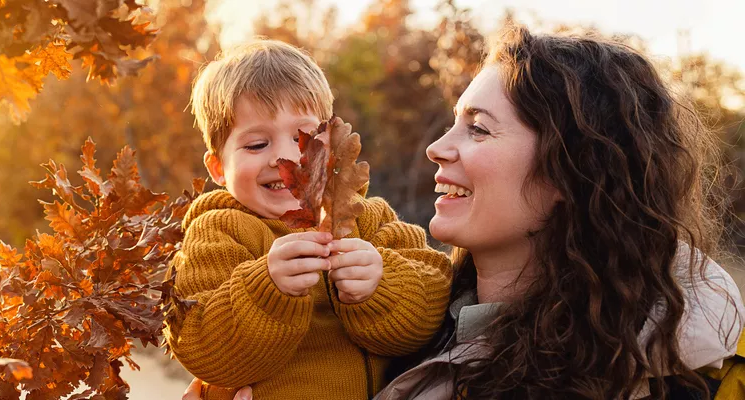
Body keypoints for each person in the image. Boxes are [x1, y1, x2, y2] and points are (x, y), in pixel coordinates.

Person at [188, 26, 745, 400]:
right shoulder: (454, 325)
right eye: (256, 144)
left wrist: (373, 287)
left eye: (478, 128)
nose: (435, 147)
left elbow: (408, 295)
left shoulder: (656, 371)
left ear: (570, 171)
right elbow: (202, 339)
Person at [164, 39, 453, 400]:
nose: (285, 157)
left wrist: (381, 284)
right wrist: (267, 291)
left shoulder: (367, 218)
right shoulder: (218, 233)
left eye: (304, 136)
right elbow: (200, 346)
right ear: (218, 168)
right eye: (256, 145)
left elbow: (434, 304)